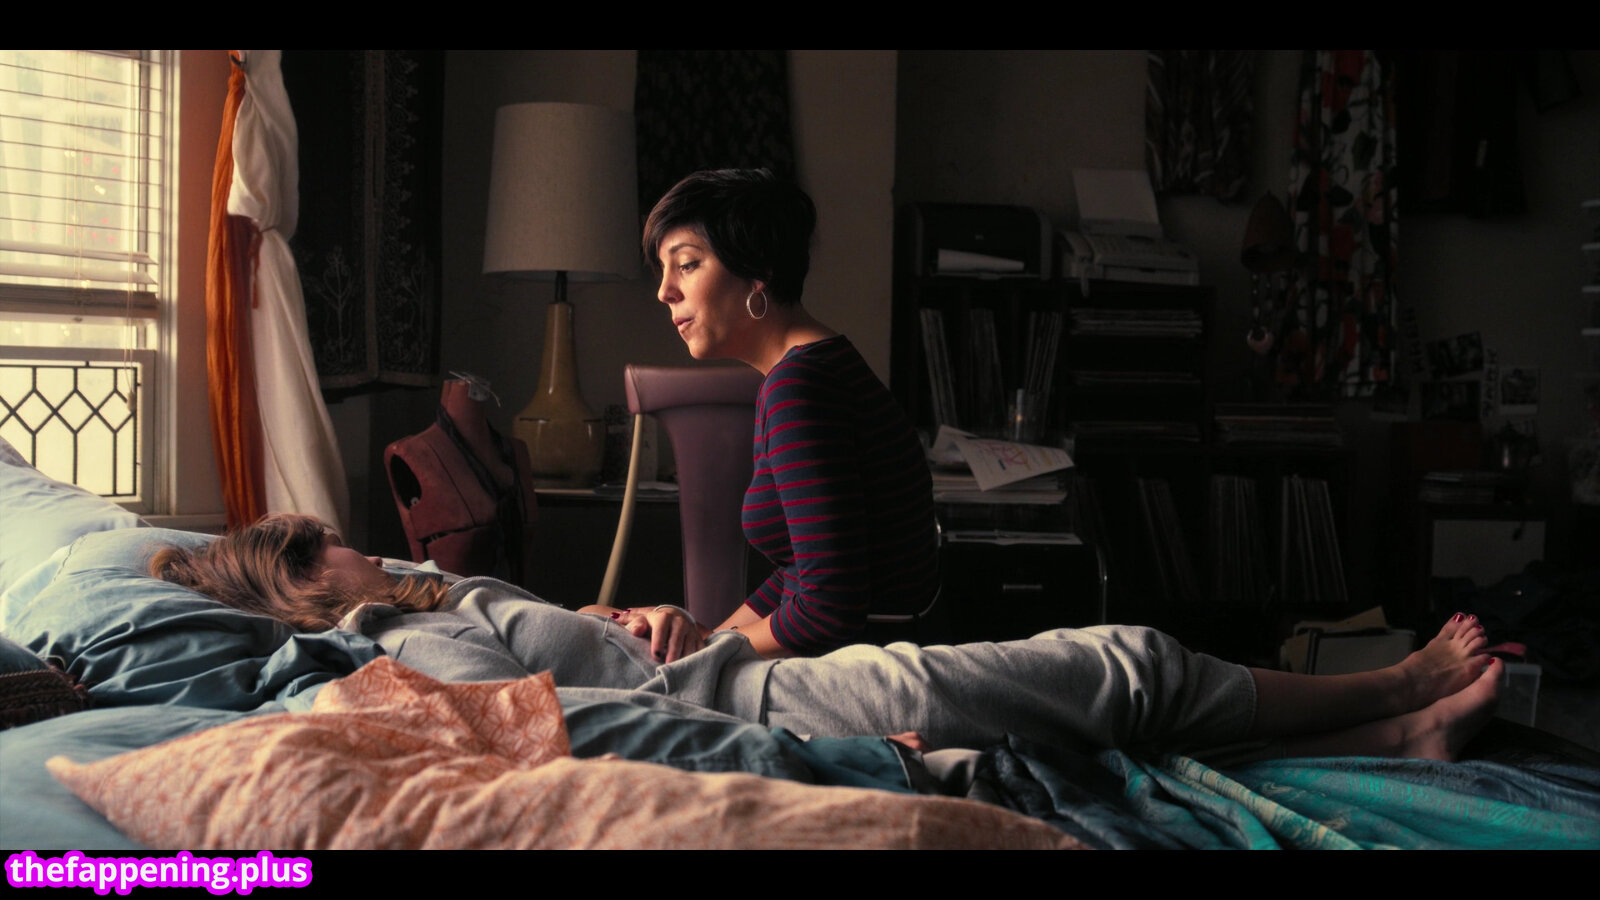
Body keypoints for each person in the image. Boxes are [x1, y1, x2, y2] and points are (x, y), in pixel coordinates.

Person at [151, 514, 1504, 762]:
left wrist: (633, 626)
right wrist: (832, 759)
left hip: (748, 677)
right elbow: (562, 728)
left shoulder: (442, 602)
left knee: (1105, 677)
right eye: (336, 544)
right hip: (769, 715)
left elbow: (578, 668)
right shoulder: (402, 637)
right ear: (309, 579)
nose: (366, 546)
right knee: (1121, 666)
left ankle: (1390, 728)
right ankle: (1389, 694)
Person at [642, 169, 939, 658]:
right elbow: (801, 575)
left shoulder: (798, 388)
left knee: (570, 653)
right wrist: (702, 642)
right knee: (596, 621)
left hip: (865, 672)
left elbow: (828, 608)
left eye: (687, 264)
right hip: (858, 655)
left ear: (757, 268)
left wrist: (708, 655)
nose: (665, 291)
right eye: (663, 270)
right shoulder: (814, 368)